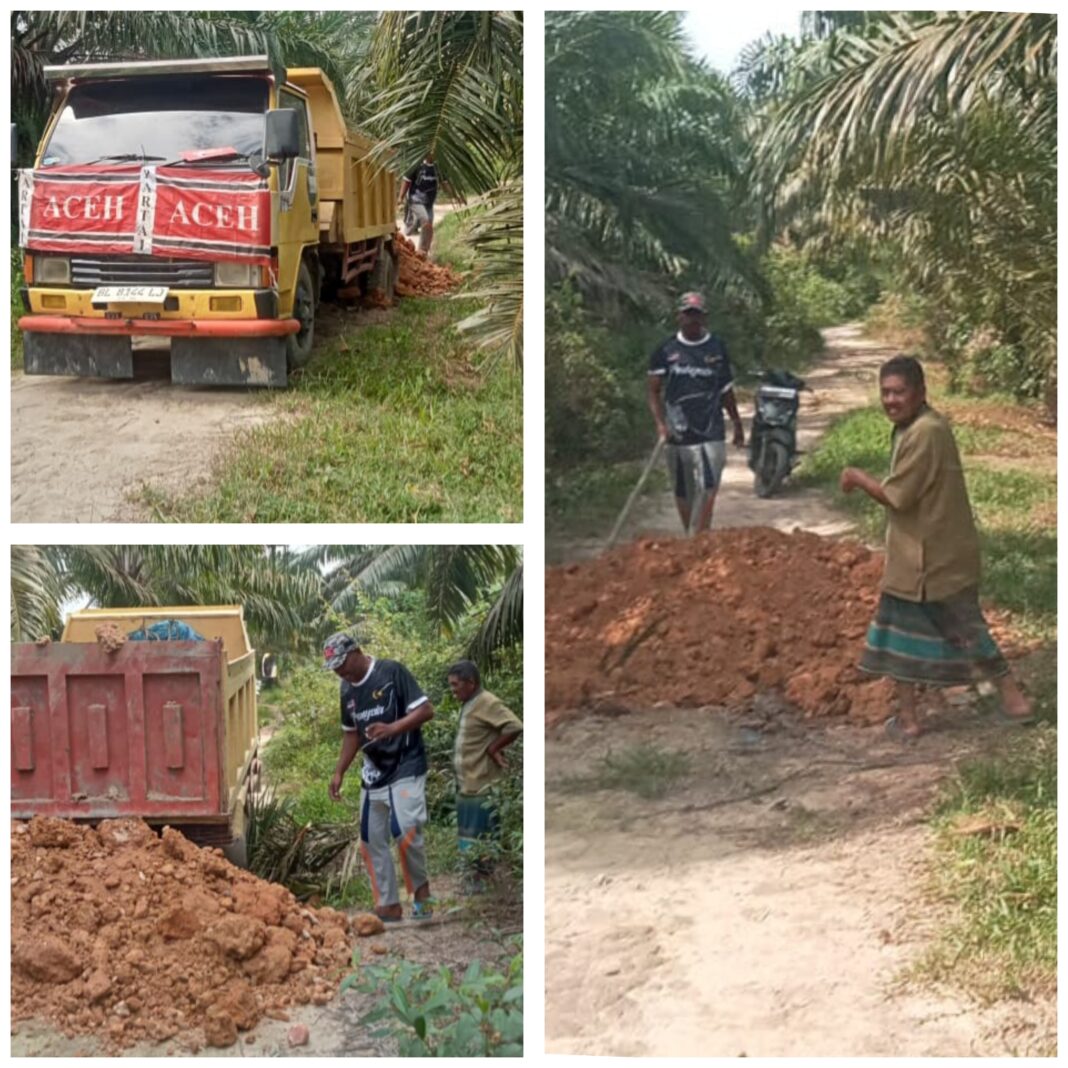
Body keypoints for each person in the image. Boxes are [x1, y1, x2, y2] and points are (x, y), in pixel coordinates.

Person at [840, 355, 1033, 740]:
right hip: (918, 559)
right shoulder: (914, 428)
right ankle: (910, 717)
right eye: (885, 392)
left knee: (964, 631)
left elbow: (897, 497)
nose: (891, 400)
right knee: (903, 635)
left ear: (920, 392)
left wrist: (857, 477)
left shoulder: (926, 432)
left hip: (932, 561)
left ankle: (1013, 701)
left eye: (899, 392)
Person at [325, 632, 436, 920]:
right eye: (334, 668)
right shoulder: (346, 690)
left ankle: (421, 895)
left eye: (342, 664)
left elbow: (426, 710)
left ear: (356, 652)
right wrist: (339, 771)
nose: (340, 671)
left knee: (405, 829)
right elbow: (351, 734)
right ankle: (388, 904)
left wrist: (392, 729)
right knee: (370, 838)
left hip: (406, 763)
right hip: (374, 772)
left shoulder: (391, 672)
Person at [648, 292, 745, 533]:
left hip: (711, 430)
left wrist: (737, 423)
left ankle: (697, 537)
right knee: (684, 491)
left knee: (709, 487)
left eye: (697, 315)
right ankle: (693, 538)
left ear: (704, 318)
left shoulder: (716, 347)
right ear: (679, 316)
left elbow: (726, 390)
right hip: (678, 432)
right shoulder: (665, 350)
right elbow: (653, 391)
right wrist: (660, 424)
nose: (692, 320)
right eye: (688, 314)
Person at [446, 659, 523, 894]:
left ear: (470, 682)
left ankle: (481, 884)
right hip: (467, 783)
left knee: (481, 835)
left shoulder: (487, 702)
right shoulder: (469, 704)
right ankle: (472, 882)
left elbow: (514, 726)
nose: (452, 690)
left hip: (482, 783)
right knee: (469, 834)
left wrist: (493, 748)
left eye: (455, 684)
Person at [398, 152, 453, 257]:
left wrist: (454, 196)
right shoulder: (417, 165)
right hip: (415, 200)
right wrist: (400, 197)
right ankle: (411, 225)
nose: (433, 153)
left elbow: (445, 183)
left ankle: (423, 252)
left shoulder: (438, 168)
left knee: (429, 224)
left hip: (429, 203)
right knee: (425, 220)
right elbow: (406, 181)